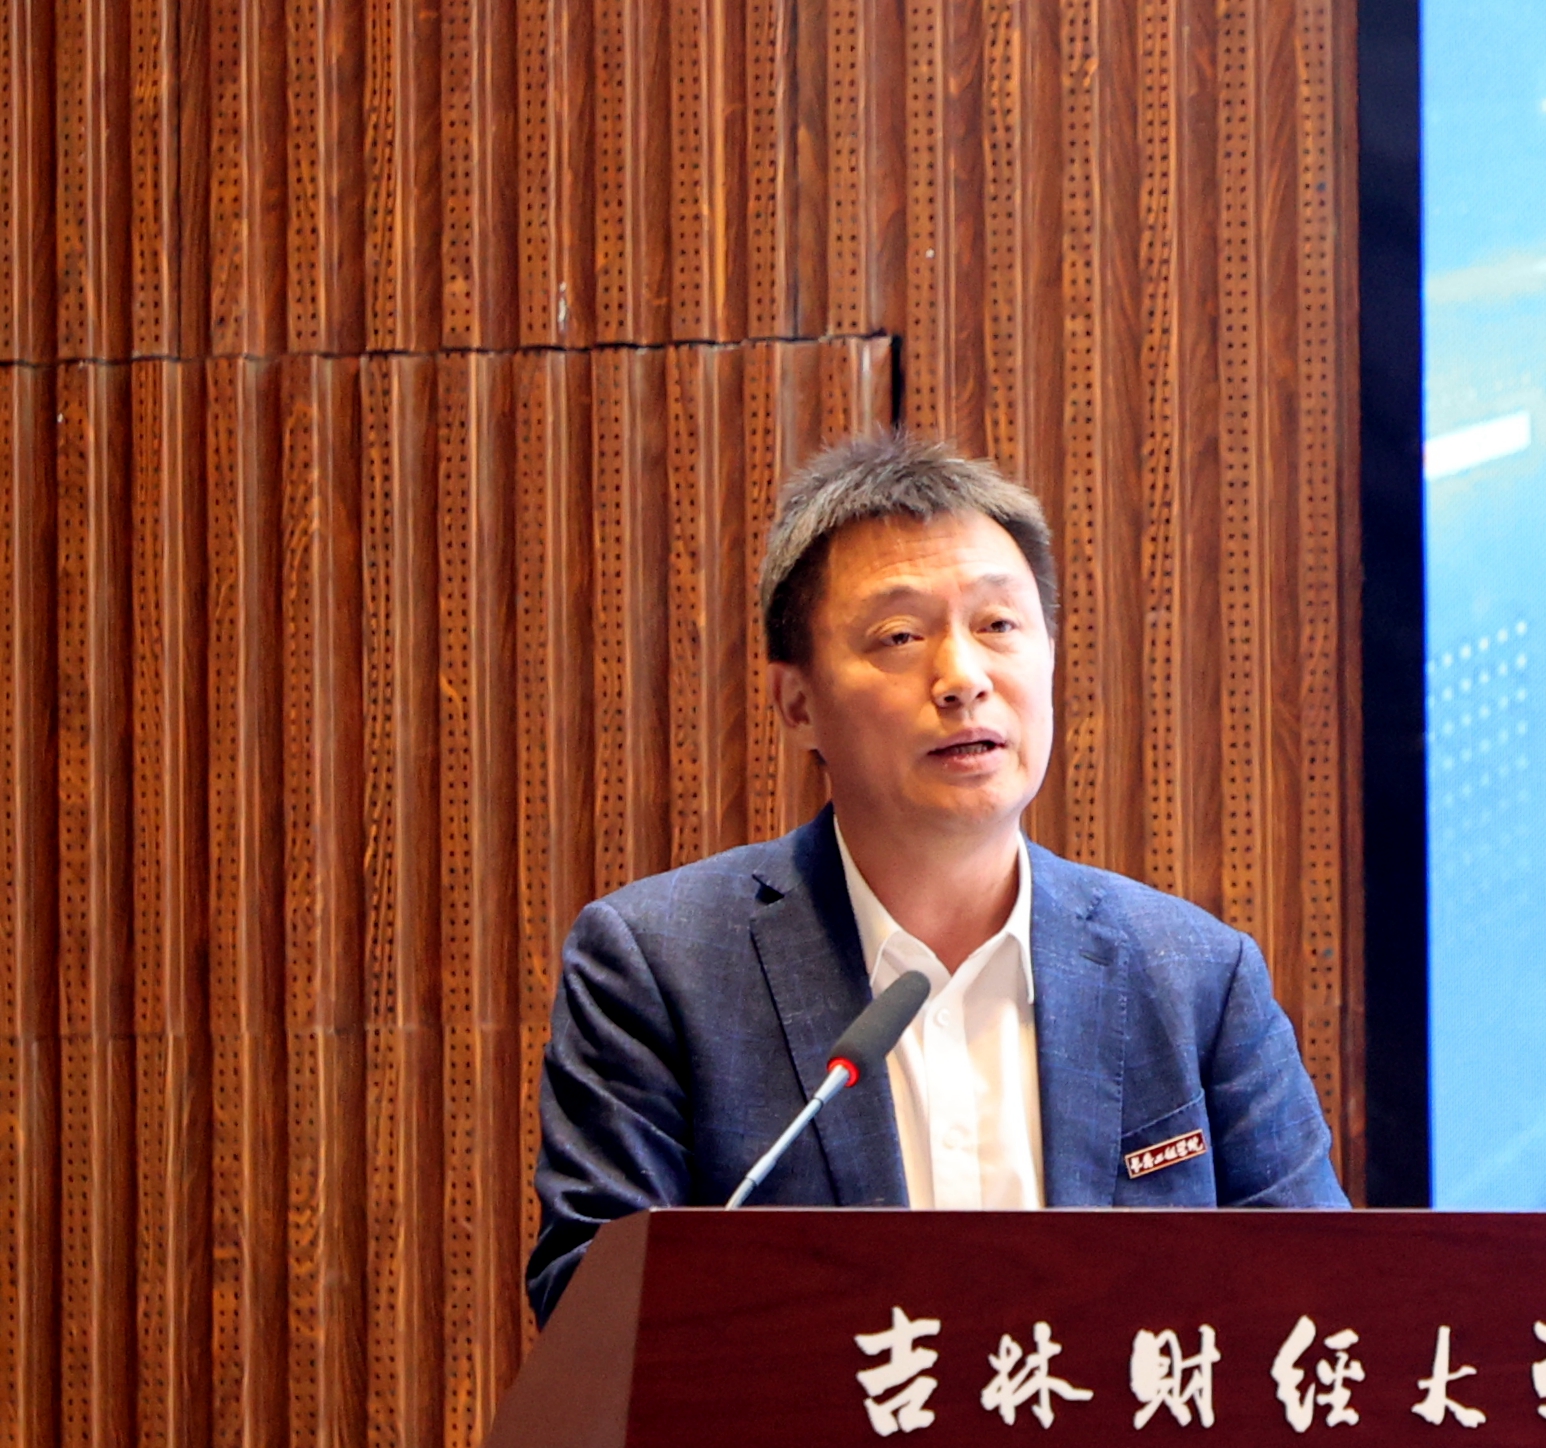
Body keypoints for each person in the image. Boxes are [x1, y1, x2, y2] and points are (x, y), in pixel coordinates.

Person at [526, 432, 1347, 1328]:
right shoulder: (660, 968)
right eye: (901, 636)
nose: (962, 678)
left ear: (1049, 656)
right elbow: (592, 1316)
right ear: (797, 703)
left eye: (998, 626)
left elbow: (1321, 1314)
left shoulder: (1196, 978)